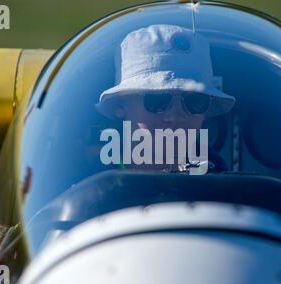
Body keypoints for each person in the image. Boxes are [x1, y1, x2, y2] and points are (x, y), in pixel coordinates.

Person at [95, 24, 235, 173]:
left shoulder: (223, 187)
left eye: (194, 102)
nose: (176, 116)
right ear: (120, 105)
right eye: (157, 100)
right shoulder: (87, 186)